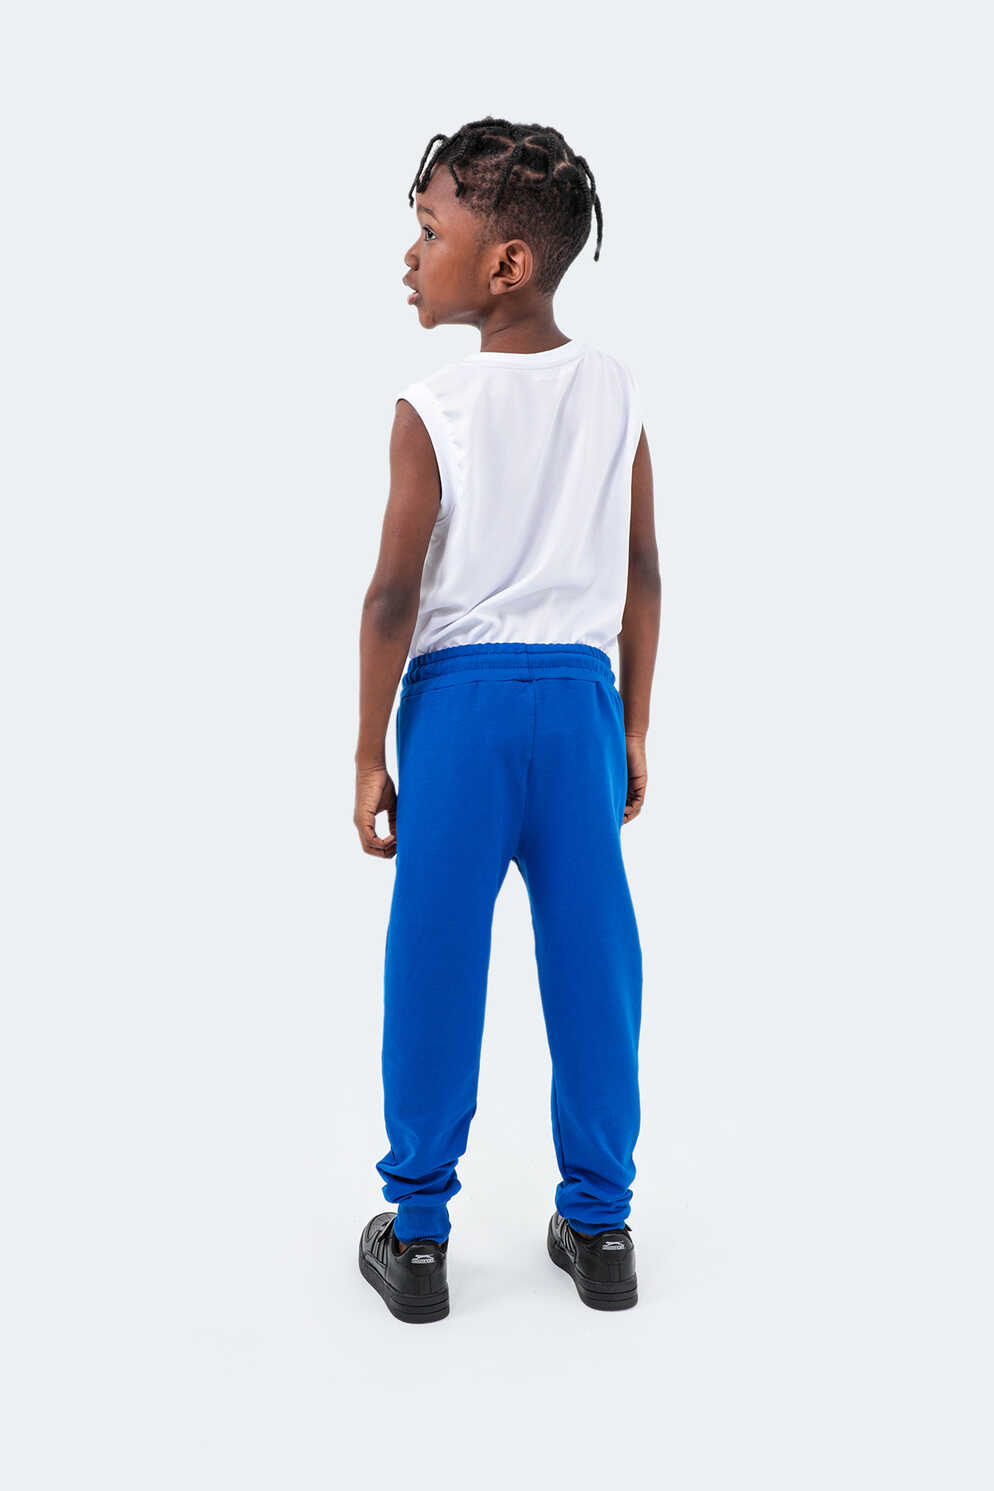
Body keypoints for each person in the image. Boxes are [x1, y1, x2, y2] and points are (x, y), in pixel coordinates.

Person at [354, 117, 660, 1323]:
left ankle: (419, 1233)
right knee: (594, 957)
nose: (410, 253)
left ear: (506, 263)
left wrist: (366, 750)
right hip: (580, 704)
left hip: (460, 712)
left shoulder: (432, 406)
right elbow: (642, 573)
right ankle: (601, 1224)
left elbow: (392, 596)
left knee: (434, 955)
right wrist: (633, 727)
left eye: (430, 230)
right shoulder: (615, 391)